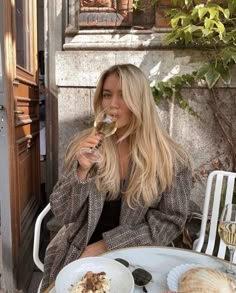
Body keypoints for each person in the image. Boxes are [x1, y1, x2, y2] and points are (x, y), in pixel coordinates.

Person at [41, 64, 192, 291]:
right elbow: (62, 213)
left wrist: (108, 245)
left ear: (140, 102)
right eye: (107, 95)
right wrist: (81, 172)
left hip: (139, 253)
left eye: (124, 96)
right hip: (80, 249)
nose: (112, 105)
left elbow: (171, 221)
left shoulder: (172, 159)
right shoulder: (87, 147)